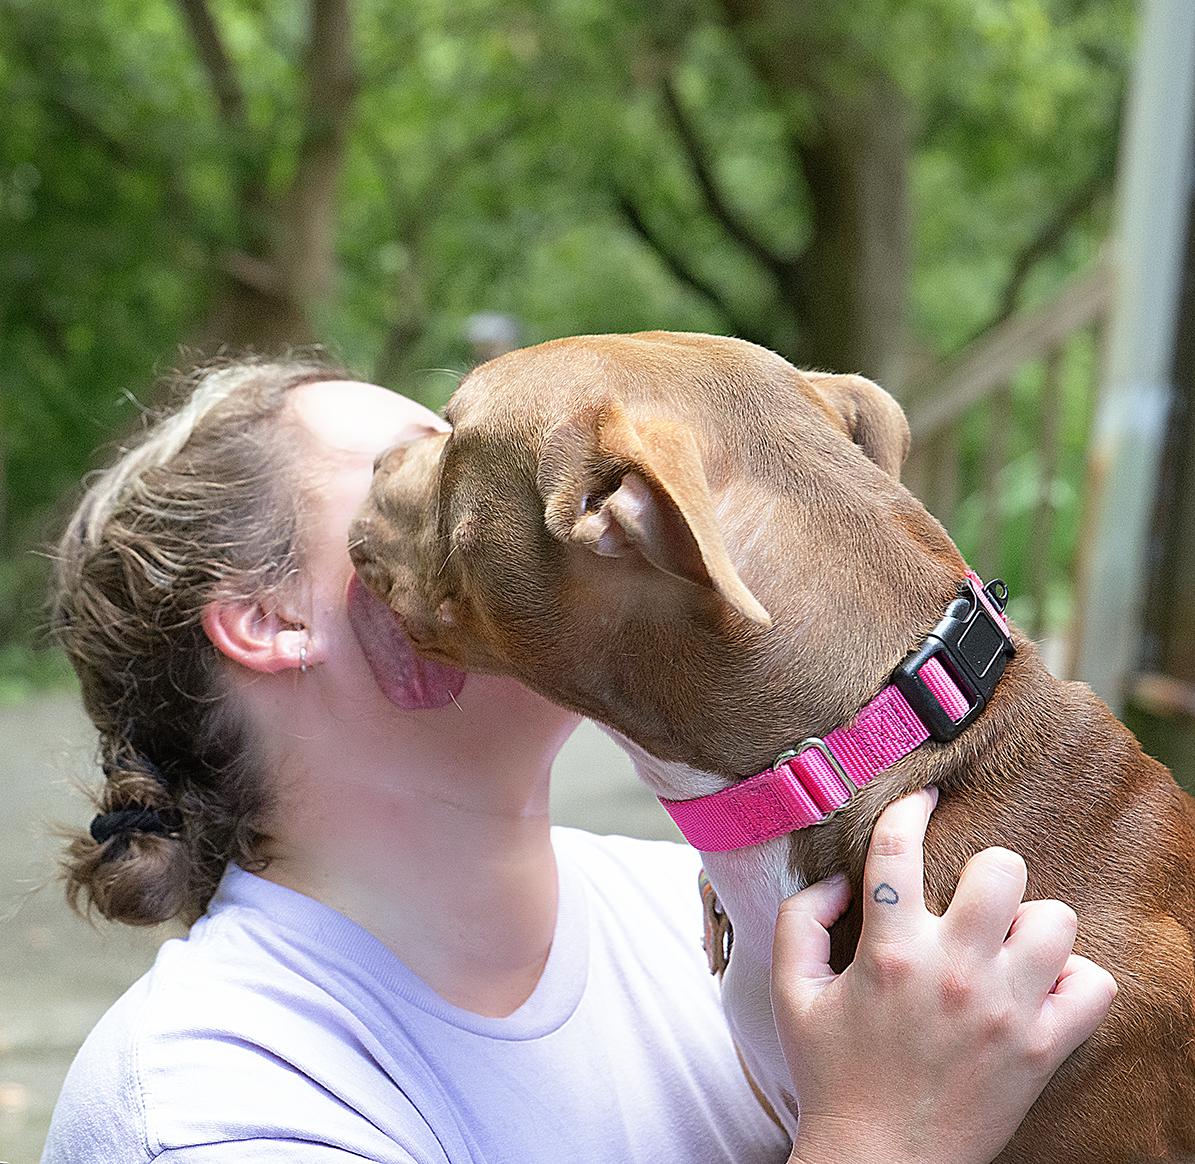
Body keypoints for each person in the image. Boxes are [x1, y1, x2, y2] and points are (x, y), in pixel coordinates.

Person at [42, 357, 1116, 1164]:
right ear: (268, 620)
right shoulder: (210, 1097)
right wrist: (881, 1137)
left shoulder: (716, 916)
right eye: (402, 468)